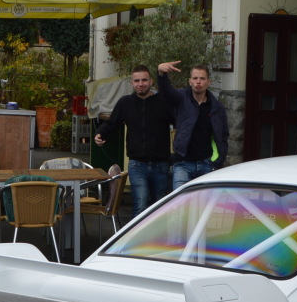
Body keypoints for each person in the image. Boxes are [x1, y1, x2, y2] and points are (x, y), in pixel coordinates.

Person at [93, 65, 173, 217]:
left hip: (161, 164)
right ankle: (137, 240)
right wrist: (100, 134)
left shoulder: (163, 102)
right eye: (137, 81)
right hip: (137, 164)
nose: (140, 83)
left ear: (151, 82)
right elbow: (112, 123)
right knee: (140, 205)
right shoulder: (125, 103)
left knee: (160, 207)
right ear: (131, 83)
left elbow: (181, 123)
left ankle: (158, 240)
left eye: (144, 80)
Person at [157, 60, 228, 190]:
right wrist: (162, 74)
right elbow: (167, 93)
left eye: (202, 78)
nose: (198, 82)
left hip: (206, 164)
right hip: (183, 163)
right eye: (195, 78)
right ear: (190, 81)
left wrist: (218, 161)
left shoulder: (216, 107)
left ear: (208, 82)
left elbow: (223, 135)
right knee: (180, 205)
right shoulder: (181, 98)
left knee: (204, 206)